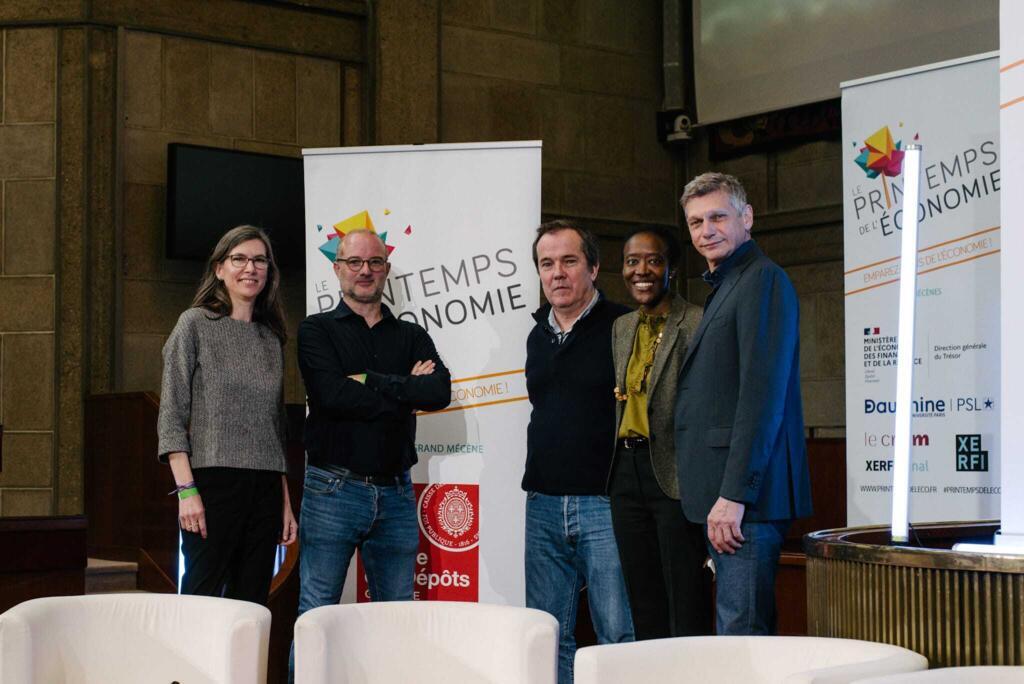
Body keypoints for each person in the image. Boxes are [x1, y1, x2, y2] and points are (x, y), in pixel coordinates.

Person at [292, 229, 450, 671]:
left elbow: (438, 391)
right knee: (316, 613)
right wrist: (405, 389)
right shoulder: (316, 330)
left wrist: (369, 380)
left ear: (386, 269)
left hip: (397, 494)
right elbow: (331, 396)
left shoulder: (412, 334)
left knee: (394, 617)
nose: (366, 270)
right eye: (355, 262)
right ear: (337, 269)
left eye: (375, 262)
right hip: (332, 490)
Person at [675, 172, 813, 635]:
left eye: (717, 216)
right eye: (695, 222)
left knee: (743, 634)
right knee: (734, 633)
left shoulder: (761, 281)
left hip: (745, 503)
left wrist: (734, 495)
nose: (705, 230)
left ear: (747, 217)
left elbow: (762, 395)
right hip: (728, 499)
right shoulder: (727, 283)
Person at [158, 224, 297, 605]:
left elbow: (274, 428)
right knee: (202, 601)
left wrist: (284, 501)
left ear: (269, 271)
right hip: (212, 483)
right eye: (239, 259)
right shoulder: (195, 325)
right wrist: (187, 492)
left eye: (259, 260)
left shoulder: (271, 337)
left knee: (252, 604)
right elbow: (171, 415)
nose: (250, 268)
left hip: (266, 488)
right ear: (220, 268)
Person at [523, 219, 634, 684]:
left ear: (593, 267)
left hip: (604, 502)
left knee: (618, 635)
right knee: (548, 637)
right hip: (543, 502)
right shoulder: (536, 335)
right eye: (547, 264)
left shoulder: (623, 327)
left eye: (569, 261)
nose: (558, 274)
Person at [608, 225, 712, 639]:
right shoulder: (621, 327)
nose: (641, 270)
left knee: (685, 596)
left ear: (672, 267)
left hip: (675, 473)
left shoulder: (697, 322)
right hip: (625, 473)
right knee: (642, 595)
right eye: (632, 261)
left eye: (653, 260)